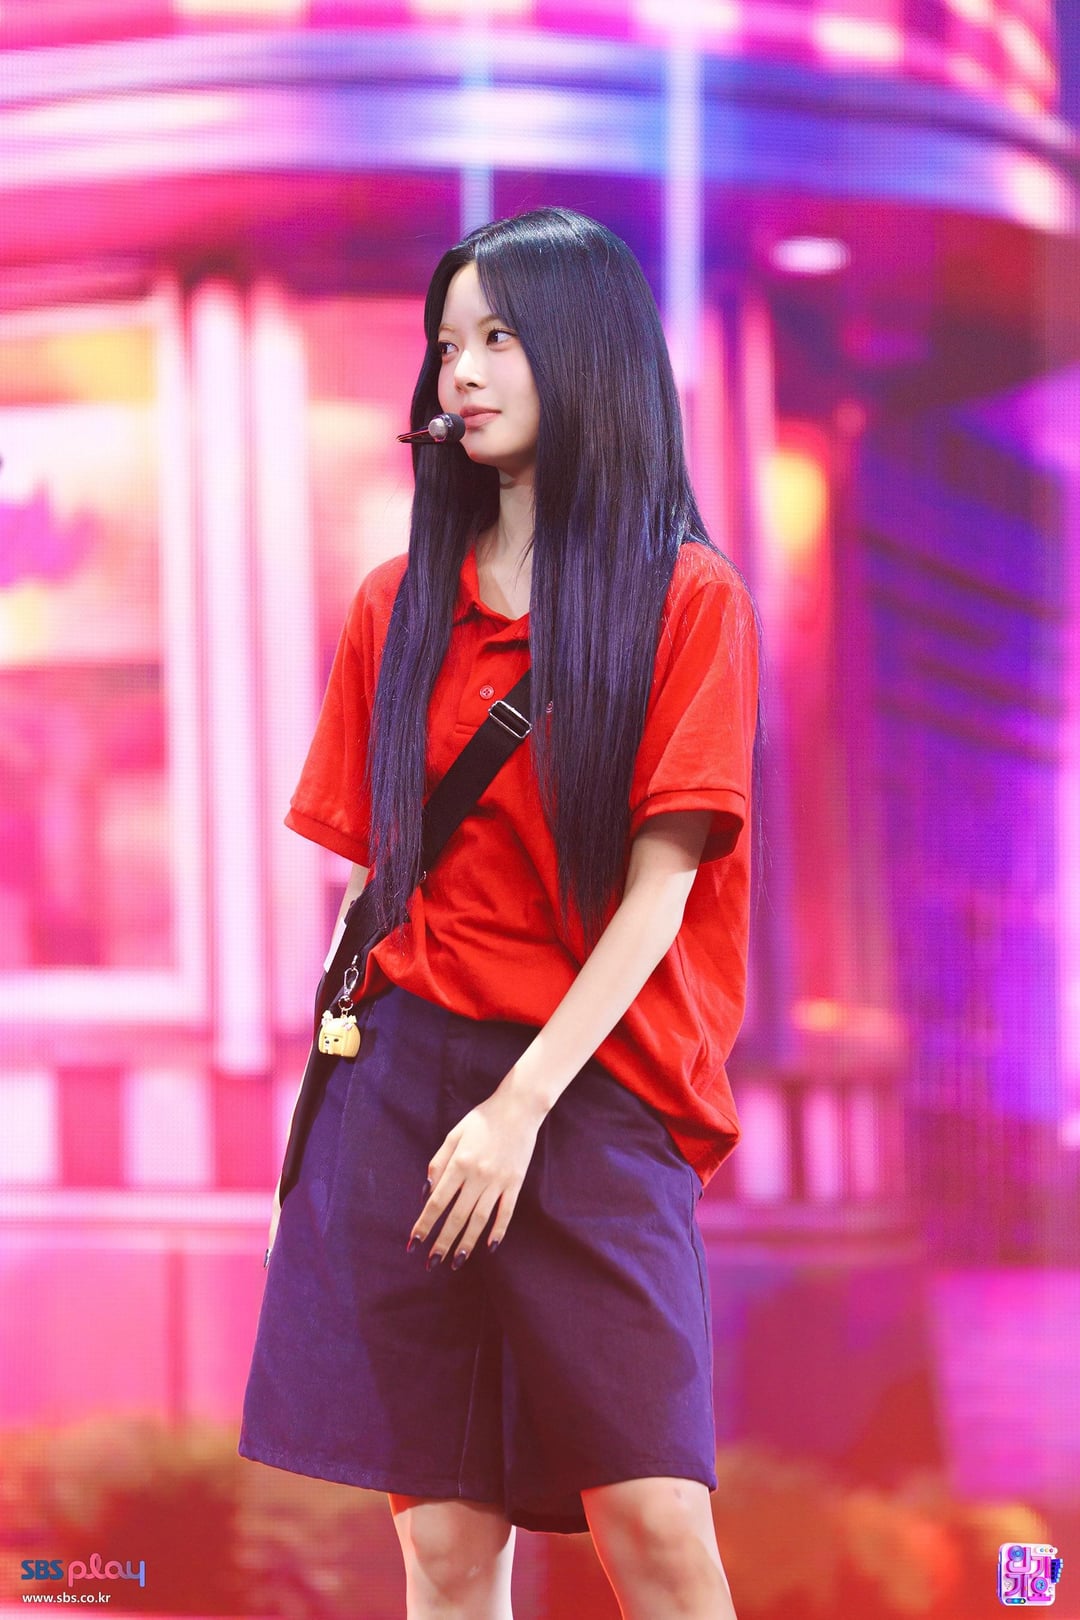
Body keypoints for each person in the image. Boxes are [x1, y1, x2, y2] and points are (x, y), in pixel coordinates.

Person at [239, 206, 759, 1620]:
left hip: (590, 1092)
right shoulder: (396, 604)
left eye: (498, 338)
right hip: (404, 1081)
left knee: (656, 1526)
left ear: (584, 354)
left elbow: (663, 892)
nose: (457, 372)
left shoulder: (688, 601)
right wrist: (315, 1148)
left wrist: (521, 1108)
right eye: (445, 343)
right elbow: (372, 891)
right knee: (447, 1550)